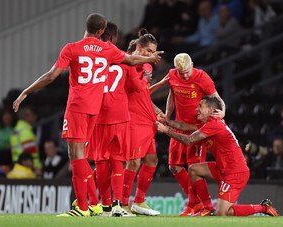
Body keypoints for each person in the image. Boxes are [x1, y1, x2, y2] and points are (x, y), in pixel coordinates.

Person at [12, 13, 163, 217]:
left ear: (89, 27)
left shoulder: (72, 48)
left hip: (77, 107)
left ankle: (85, 205)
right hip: (96, 110)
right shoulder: (108, 49)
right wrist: (149, 58)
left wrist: (26, 91)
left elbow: (51, 76)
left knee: (77, 156)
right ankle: (93, 203)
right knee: (89, 157)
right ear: (101, 31)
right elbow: (129, 59)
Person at [156, 96, 278, 217]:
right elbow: (183, 127)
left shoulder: (214, 124)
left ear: (210, 110)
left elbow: (189, 140)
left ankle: (263, 208)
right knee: (194, 169)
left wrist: (166, 130)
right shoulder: (208, 124)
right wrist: (167, 122)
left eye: (200, 106)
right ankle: (208, 208)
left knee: (223, 213)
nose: (196, 109)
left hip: (234, 172)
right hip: (222, 168)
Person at [85, 22, 141, 217]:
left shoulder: (92, 57)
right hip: (119, 115)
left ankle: (105, 206)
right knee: (118, 160)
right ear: (115, 37)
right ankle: (118, 205)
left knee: (101, 161)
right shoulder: (123, 58)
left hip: (98, 114)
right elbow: (139, 88)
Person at [163, 53, 225, 216]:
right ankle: (196, 203)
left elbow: (217, 98)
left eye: (187, 72)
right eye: (180, 72)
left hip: (196, 128)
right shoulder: (172, 75)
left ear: (192, 65)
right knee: (174, 167)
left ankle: (198, 205)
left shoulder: (202, 77)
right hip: (178, 124)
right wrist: (167, 115)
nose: (184, 75)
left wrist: (223, 112)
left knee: (193, 167)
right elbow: (171, 96)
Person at [121, 29, 164, 216]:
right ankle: (121, 204)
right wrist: (147, 67)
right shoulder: (127, 63)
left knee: (152, 159)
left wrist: (155, 109)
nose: (150, 55)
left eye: (153, 51)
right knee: (133, 163)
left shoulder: (147, 66)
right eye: (147, 50)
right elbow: (137, 87)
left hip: (147, 119)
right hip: (133, 119)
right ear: (138, 47)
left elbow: (143, 94)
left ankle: (138, 201)